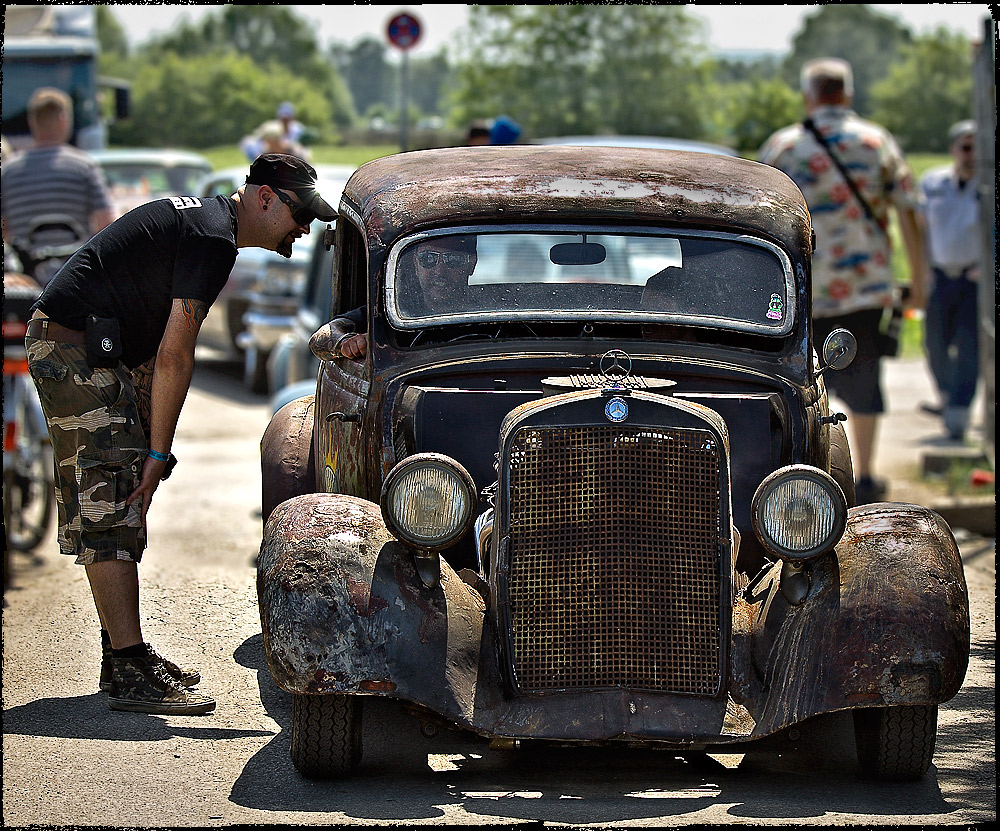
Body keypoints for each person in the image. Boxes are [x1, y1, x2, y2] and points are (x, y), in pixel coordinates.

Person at [25, 153, 336, 715]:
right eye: (299, 214)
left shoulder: (210, 224)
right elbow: (175, 355)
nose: (303, 230)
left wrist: (149, 444)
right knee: (115, 497)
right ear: (264, 197)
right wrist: (156, 453)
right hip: (76, 349)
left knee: (120, 487)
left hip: (96, 349)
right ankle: (127, 665)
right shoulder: (214, 238)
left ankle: (122, 656)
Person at [758, 58, 927, 505]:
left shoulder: (784, 146)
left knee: (799, 381)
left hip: (801, 289)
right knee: (866, 379)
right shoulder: (876, 142)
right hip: (866, 285)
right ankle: (868, 476)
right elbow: (910, 209)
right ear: (847, 95)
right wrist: (920, 277)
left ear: (809, 96)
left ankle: (805, 474)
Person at [1, 87, 115, 279]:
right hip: (78, 276)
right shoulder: (84, 167)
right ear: (64, 120)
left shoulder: (8, 171)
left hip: (26, 279)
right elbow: (107, 225)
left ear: (32, 122)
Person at [311, 235, 478, 362]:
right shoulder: (391, 311)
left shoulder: (490, 316)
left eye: (453, 260)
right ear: (415, 264)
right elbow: (321, 337)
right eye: (428, 259)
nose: (440, 271)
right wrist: (346, 343)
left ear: (472, 264)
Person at [918, 120, 981, 441]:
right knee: (935, 342)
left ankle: (958, 412)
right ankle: (946, 395)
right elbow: (921, 228)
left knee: (970, 345)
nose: (972, 155)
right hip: (941, 275)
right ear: (954, 149)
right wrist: (922, 267)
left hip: (975, 277)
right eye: (967, 147)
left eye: (978, 147)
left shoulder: (987, 186)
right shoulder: (933, 183)